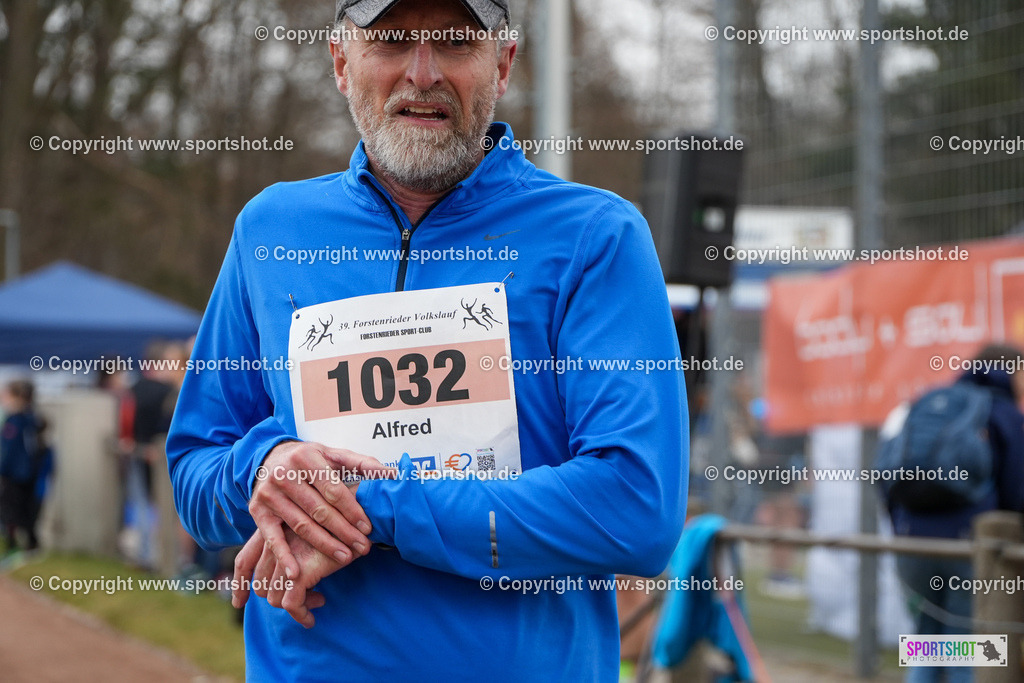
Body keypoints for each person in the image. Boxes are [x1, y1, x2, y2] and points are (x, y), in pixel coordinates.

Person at [167, 0, 688, 679]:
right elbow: (195, 469)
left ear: (502, 63)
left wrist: (359, 504)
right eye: (390, 42)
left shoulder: (596, 236)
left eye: (453, 43)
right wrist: (262, 469)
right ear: (340, 63)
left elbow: (635, 508)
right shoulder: (270, 228)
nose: (422, 73)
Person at [884, 344, 1024, 683]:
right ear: (1009, 371)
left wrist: (903, 529)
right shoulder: (1003, 413)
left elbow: (886, 474)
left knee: (926, 645)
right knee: (967, 652)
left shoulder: (927, 402)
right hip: (971, 545)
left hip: (912, 543)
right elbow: (1017, 490)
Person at [0, 380, 46, 553]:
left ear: (19, 398)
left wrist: (3, 469)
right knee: (22, 510)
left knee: (12, 510)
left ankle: (17, 544)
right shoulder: (32, 419)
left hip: (16, 474)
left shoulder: (17, 421)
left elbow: (10, 450)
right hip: (26, 473)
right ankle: (27, 543)